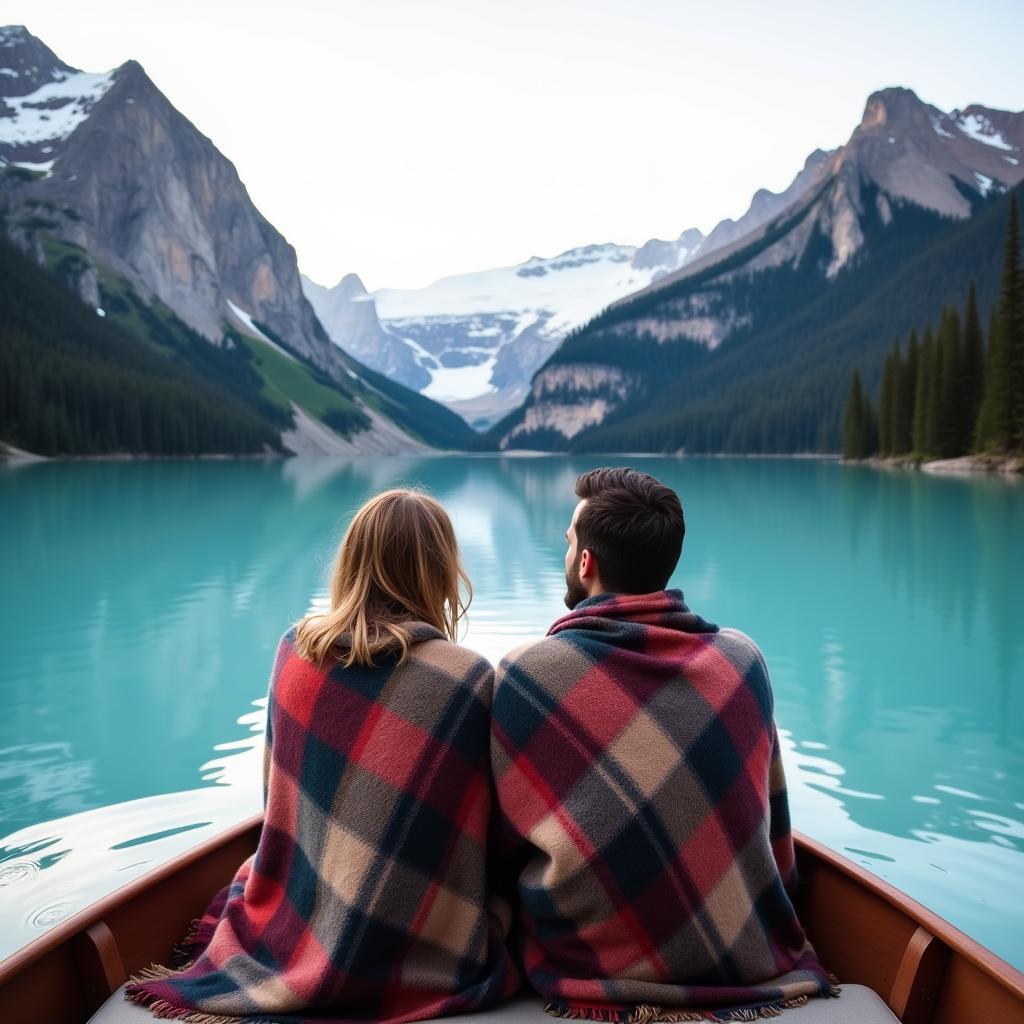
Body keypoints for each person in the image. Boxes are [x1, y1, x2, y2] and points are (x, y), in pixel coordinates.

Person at [125, 489, 519, 1024]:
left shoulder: (295, 648)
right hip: (418, 945)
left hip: (294, 918)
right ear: (441, 572)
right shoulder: (467, 679)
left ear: (353, 561)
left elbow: (275, 802)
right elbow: (483, 832)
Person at [490, 467, 836, 1022]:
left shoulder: (528, 677)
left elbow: (501, 853)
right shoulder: (742, 662)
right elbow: (776, 834)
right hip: (745, 961)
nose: (568, 552)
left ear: (586, 563)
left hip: (586, 971)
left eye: (568, 541)